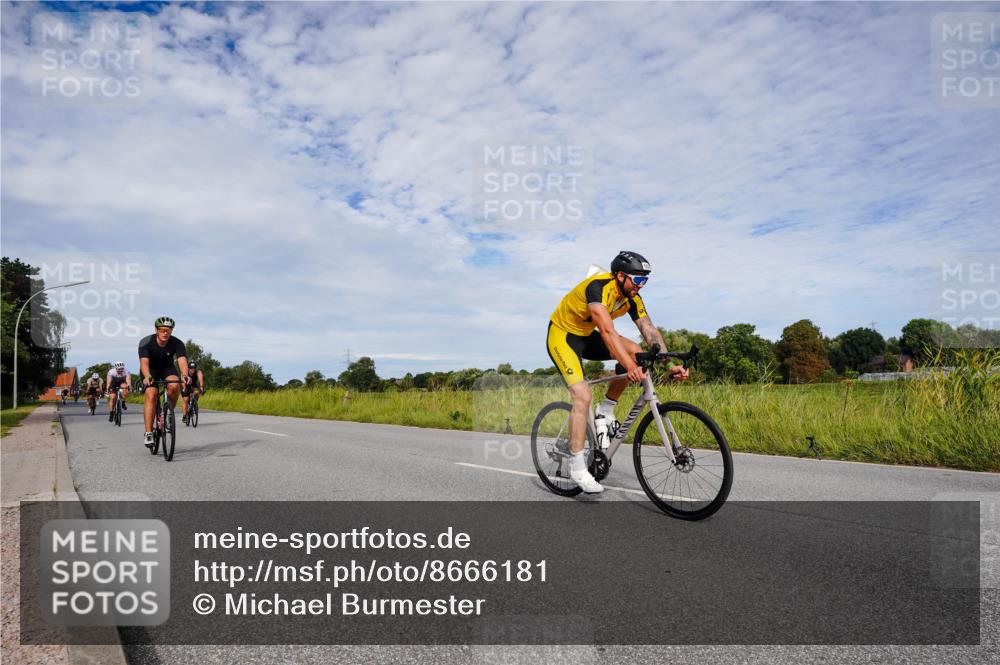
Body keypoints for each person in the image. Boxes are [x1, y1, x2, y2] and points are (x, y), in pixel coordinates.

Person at [546, 251, 689, 493]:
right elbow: (607, 332)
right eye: (638, 280)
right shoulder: (598, 287)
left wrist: (667, 363)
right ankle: (578, 466)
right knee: (582, 395)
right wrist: (631, 368)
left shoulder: (632, 297)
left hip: (587, 335)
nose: (641, 286)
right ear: (621, 276)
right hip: (564, 336)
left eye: (645, 281)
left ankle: (606, 410)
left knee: (635, 351)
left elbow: (649, 329)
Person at [138, 317, 190, 448]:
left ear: (171, 331)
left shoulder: (177, 343)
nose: (165, 333)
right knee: (151, 394)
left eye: (168, 330)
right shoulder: (146, 342)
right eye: (162, 330)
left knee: (174, 385)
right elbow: (144, 363)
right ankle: (149, 433)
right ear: (156, 330)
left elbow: (182, 360)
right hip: (150, 370)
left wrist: (184, 374)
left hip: (167, 368)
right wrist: (147, 376)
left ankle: (167, 413)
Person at [181, 360, 205, 424]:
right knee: (186, 399)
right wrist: (184, 388)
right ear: (188, 368)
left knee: (197, 392)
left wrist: (202, 387)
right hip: (185, 386)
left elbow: (201, 379)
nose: (193, 370)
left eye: (194, 368)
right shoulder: (185, 372)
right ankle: (184, 416)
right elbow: (182, 381)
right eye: (191, 368)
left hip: (193, 386)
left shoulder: (198, 372)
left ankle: (194, 403)